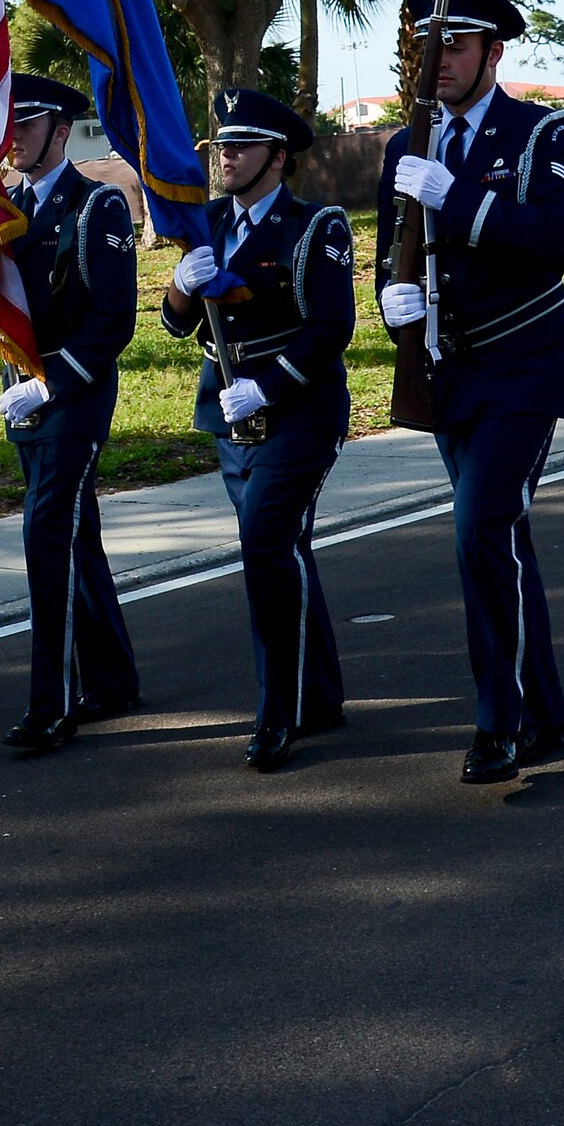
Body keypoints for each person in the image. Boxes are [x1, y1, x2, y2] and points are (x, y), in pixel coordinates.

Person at [377, 0, 564, 784]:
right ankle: (548, 711)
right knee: (500, 537)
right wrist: (392, 308)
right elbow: (393, 252)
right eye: (424, 47)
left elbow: (555, 241)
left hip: (525, 363)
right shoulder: (403, 145)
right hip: (448, 372)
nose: (436, 62)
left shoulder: (542, 133)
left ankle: (499, 723)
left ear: (493, 52)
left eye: (453, 46)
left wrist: (458, 199)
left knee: (478, 530)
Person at [0, 72, 140, 752]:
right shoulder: (1, 205)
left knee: (46, 533)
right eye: (10, 126)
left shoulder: (95, 207)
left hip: (72, 392)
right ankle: (112, 679)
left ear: (61, 131)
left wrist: (52, 384)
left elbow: (113, 321)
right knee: (75, 533)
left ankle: (50, 704)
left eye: (27, 125)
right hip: (18, 391)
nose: (14, 138)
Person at [162, 89, 355, 770]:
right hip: (228, 413)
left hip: (299, 413)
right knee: (284, 549)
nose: (226, 155)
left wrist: (267, 387)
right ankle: (320, 692)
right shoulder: (207, 222)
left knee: (265, 545)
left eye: (241, 146)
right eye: (221, 145)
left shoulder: (315, 228)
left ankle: (279, 709)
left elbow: (332, 328)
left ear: (278, 158)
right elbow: (174, 323)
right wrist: (183, 286)